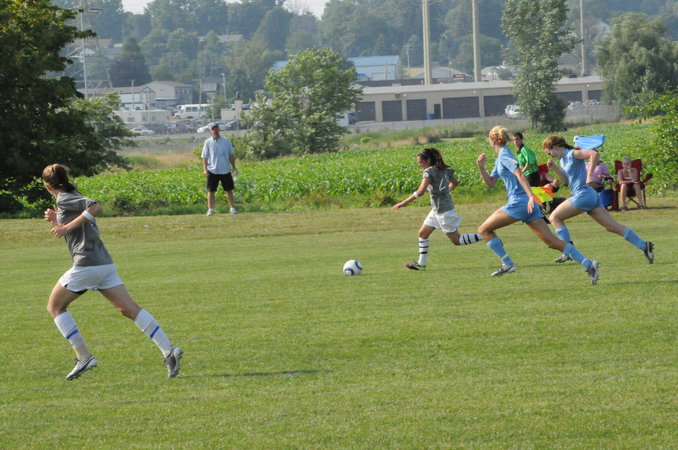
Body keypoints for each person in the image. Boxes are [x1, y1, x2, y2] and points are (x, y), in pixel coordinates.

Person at [42, 164, 183, 380]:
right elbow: (82, 223)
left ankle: (84, 357)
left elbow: (95, 207)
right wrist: (56, 220)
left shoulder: (64, 199)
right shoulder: (71, 197)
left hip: (86, 264)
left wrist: (65, 227)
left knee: (55, 307)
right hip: (103, 264)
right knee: (129, 309)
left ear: (47, 186)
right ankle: (169, 351)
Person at [476, 126, 600, 284]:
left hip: (519, 203)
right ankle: (589, 264)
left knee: (483, 230)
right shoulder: (501, 157)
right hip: (528, 204)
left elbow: (520, 174)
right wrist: (481, 168)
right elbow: (491, 183)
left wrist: (530, 196)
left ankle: (507, 263)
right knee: (551, 242)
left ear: (492, 140)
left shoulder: (505, 155)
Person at [542, 137, 654, 264]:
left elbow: (594, 154)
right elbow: (567, 181)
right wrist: (555, 168)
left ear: (554, 147)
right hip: (590, 196)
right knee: (611, 226)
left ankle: (568, 251)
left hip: (583, 195)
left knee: (554, 218)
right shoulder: (563, 160)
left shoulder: (572, 154)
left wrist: (589, 176)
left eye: (549, 152)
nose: (550, 155)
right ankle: (644, 246)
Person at [392, 147, 483, 270]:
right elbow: (455, 183)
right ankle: (421, 264)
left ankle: (486, 235)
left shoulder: (428, 172)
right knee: (423, 233)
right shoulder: (444, 169)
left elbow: (421, 191)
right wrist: (445, 192)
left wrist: (403, 203)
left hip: (443, 211)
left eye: (421, 162)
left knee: (457, 241)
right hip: (437, 209)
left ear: (428, 160)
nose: (419, 165)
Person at [202, 122, 238, 216]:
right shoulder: (207, 142)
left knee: (229, 190)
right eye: (213, 129)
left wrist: (234, 167)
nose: (216, 130)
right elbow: (205, 157)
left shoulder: (226, 141)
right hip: (212, 170)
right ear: (210, 130)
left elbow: (231, 155)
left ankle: (232, 208)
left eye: (217, 128)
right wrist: (205, 169)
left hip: (225, 169)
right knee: (211, 191)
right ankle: (210, 210)